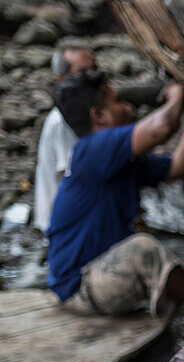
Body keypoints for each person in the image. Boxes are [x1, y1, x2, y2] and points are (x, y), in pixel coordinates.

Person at [47, 70, 184, 338]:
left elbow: (179, 166)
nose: (129, 107)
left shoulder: (116, 160)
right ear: (99, 115)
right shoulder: (92, 149)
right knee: (143, 249)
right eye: (117, 101)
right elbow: (160, 129)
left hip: (99, 275)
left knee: (146, 247)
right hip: (81, 288)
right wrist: (175, 97)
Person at [34, 40, 96, 232]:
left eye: (94, 69)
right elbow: (72, 178)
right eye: (82, 72)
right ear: (61, 79)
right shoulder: (63, 121)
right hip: (62, 224)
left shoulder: (82, 113)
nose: (92, 78)